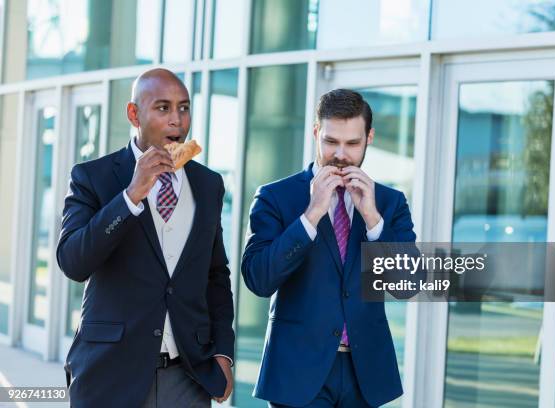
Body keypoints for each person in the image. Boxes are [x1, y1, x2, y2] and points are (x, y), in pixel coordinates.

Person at [56, 68, 234, 407]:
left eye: (184, 108)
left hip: (188, 377)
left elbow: (216, 275)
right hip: (109, 374)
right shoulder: (92, 177)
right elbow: (73, 262)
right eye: (163, 108)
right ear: (134, 114)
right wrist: (130, 196)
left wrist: (223, 353)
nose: (177, 121)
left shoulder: (208, 184)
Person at [241, 89, 417, 407]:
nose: (340, 154)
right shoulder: (275, 197)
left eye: (352, 143)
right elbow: (258, 279)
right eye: (330, 141)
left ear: (369, 138)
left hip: (365, 374)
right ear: (315, 134)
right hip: (297, 372)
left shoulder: (390, 203)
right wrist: (311, 215)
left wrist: (374, 220)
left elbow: (409, 285)